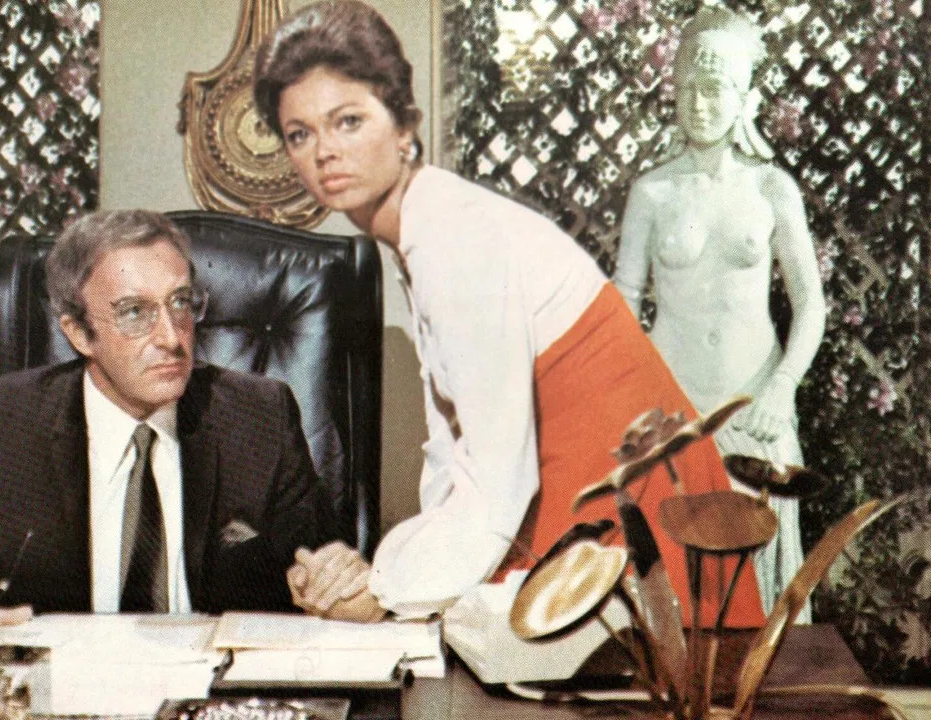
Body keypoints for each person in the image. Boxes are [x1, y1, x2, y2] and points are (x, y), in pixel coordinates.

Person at [253, 0, 765, 626]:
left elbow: (497, 482)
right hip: (586, 503)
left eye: (349, 121)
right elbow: (456, 450)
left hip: (634, 513)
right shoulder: (426, 228)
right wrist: (387, 571)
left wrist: (385, 590)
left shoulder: (454, 238)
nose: (325, 152)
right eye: (300, 134)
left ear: (403, 124)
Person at [0, 210, 337, 663]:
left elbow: (328, 568)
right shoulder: (2, 422)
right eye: (134, 312)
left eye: (181, 303)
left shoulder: (257, 416)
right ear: (78, 333)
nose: (171, 337)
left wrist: (341, 587)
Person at [612, 8, 826, 619]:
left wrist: (783, 386)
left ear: (744, 98)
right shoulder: (652, 192)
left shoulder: (771, 189)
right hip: (671, 413)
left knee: (760, 599)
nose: (699, 104)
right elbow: (624, 301)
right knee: (674, 601)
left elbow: (811, 304)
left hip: (755, 412)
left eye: (713, 89)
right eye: (687, 89)